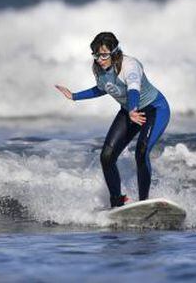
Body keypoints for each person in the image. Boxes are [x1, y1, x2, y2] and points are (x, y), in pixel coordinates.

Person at [55, 32, 170, 208]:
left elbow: (133, 89)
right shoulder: (99, 68)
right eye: (96, 54)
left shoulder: (130, 65)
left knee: (141, 152)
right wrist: (74, 96)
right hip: (129, 111)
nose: (99, 59)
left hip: (155, 109)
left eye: (103, 55)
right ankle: (117, 202)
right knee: (107, 157)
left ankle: (144, 202)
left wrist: (133, 109)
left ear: (115, 52)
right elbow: (104, 88)